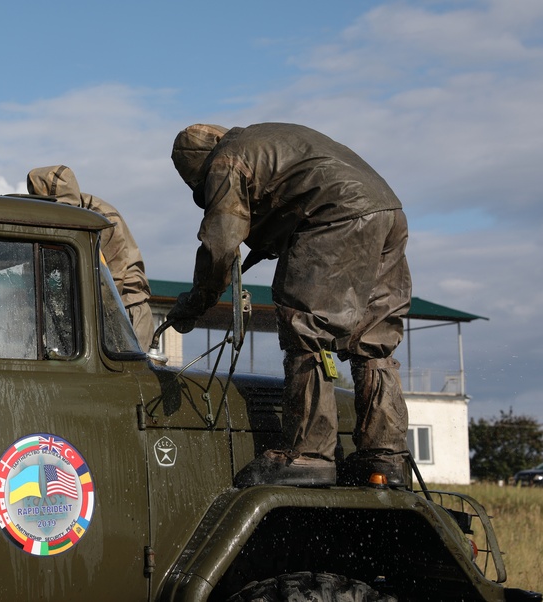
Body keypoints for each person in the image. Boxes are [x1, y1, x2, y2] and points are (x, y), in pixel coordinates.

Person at [167, 123, 412, 487]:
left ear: (197, 170)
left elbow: (220, 243)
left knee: (306, 328)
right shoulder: (264, 142)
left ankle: (308, 454)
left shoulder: (224, 163)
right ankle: (385, 457)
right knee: (373, 342)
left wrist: (198, 301)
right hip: (388, 212)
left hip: (338, 213)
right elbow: (290, 199)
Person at [27, 165, 154, 347]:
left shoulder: (104, 220)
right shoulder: (52, 220)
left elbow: (111, 284)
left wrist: (80, 321)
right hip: (96, 312)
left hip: (125, 312)